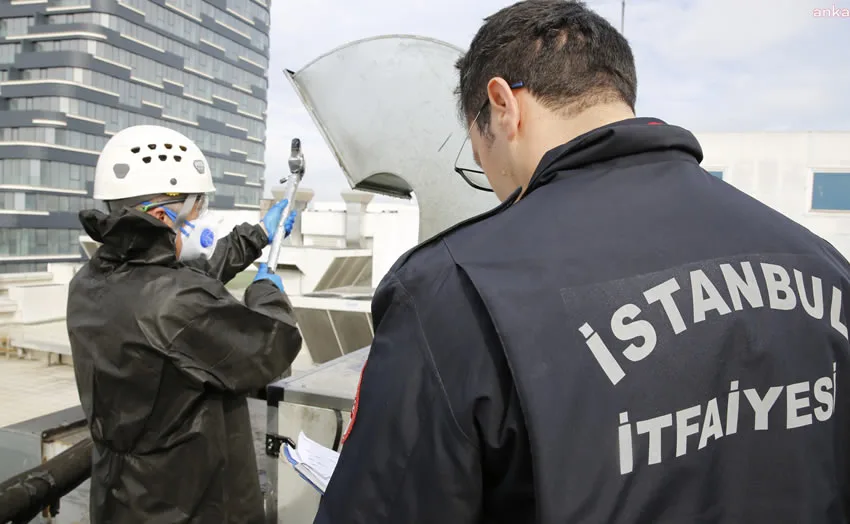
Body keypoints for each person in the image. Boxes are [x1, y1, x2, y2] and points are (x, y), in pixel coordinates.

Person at [316, 1, 850, 523]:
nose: (497, 188)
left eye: (480, 160)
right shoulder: (822, 264)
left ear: (502, 105)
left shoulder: (453, 292)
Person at [67, 124, 303, 524]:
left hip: (123, 498)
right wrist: (266, 290)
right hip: (189, 505)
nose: (198, 218)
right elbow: (274, 347)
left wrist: (258, 234)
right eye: (194, 209)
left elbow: (183, 293)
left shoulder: (91, 281)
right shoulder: (174, 301)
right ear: (160, 215)